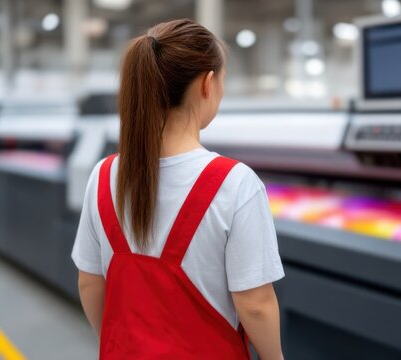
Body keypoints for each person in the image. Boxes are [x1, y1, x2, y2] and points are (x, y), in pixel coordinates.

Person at [71, 19, 285, 359]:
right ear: (207, 83)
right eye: (223, 80)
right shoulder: (236, 183)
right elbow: (255, 304)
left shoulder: (104, 174)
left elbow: (89, 281)